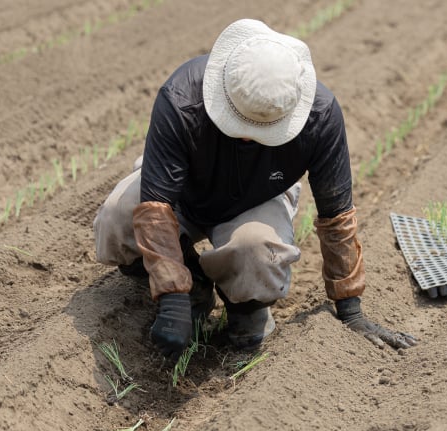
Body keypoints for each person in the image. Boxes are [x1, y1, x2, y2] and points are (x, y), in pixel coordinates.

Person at [93, 19, 416, 357]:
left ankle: (246, 312)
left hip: (257, 197)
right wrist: (172, 291)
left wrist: (351, 311)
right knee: (118, 218)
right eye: (238, 122)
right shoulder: (181, 97)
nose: (246, 136)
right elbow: (156, 205)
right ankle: (194, 284)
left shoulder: (321, 117)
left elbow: (336, 218)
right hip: (181, 189)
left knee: (259, 250)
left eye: (261, 129)